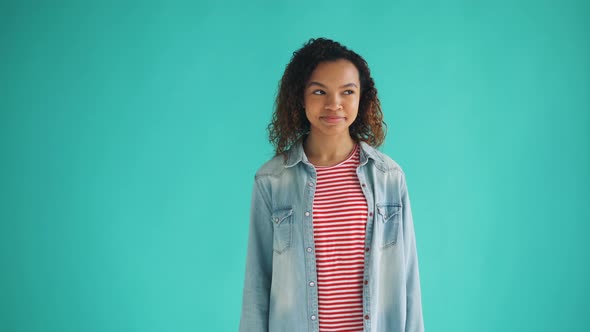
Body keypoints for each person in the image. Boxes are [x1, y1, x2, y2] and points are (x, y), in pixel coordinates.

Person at [239, 37, 424, 332]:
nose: (333, 104)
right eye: (319, 91)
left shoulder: (389, 177)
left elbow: (408, 279)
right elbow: (257, 286)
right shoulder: (271, 180)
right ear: (300, 97)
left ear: (362, 97)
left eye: (347, 92)